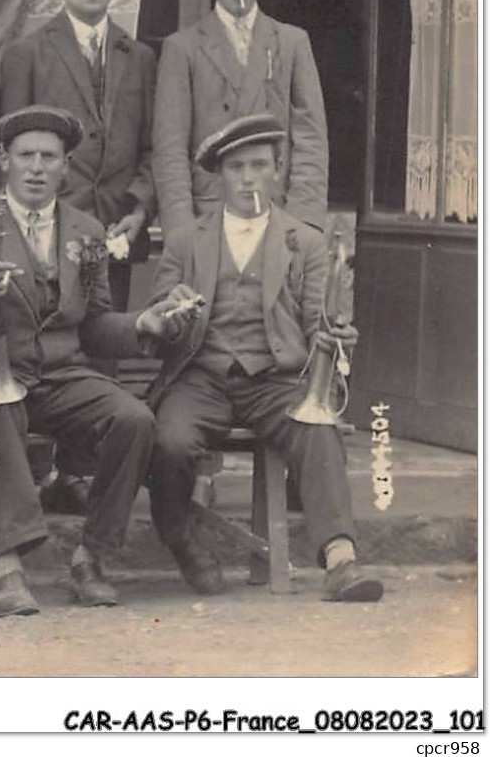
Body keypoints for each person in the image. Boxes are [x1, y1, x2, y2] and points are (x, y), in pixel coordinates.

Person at [0, 106, 180, 616]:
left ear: (67, 166)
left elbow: (94, 325)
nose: (37, 168)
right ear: (4, 160)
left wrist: (141, 326)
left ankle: (92, 557)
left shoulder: (86, 231)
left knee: (133, 419)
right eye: (26, 156)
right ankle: (6, 568)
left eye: (50, 157)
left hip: (61, 374)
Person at [144, 113, 381, 603]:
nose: (248, 178)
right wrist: (170, 314)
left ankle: (340, 560)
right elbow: (158, 316)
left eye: (259, 165)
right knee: (168, 440)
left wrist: (337, 339)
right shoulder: (188, 240)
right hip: (201, 378)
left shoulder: (307, 242)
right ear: (220, 175)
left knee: (318, 429)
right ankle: (180, 537)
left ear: (278, 171)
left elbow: (321, 324)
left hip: (275, 378)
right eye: (236, 168)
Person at [0, 0, 159, 513]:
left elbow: (151, 146)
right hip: (50, 227)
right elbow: (16, 148)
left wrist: (139, 209)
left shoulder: (139, 55)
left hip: (115, 229)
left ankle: (83, 473)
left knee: (105, 341)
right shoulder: (28, 53)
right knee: (47, 341)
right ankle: (38, 474)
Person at [153, 0, 329, 236]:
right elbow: (171, 147)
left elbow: (310, 136)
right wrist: (181, 226)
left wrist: (303, 219)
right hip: (209, 212)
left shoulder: (291, 42)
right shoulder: (183, 48)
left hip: (276, 210)